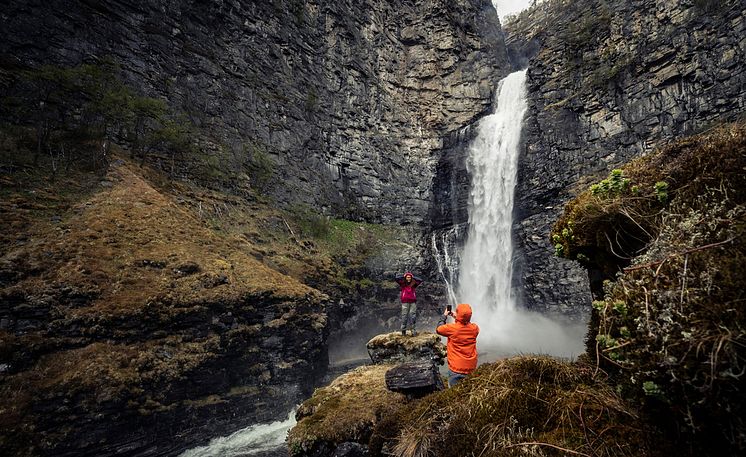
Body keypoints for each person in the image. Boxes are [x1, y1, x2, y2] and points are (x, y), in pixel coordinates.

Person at [436, 303, 479, 387]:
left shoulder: (452, 329)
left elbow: (439, 329)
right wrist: (459, 318)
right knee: (467, 392)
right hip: (471, 368)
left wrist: (444, 315)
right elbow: (467, 323)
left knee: (454, 393)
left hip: (456, 368)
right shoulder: (475, 329)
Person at [395, 272, 422, 336]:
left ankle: (413, 331)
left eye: (409, 277)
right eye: (407, 277)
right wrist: (404, 275)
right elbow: (396, 278)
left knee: (413, 316)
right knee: (404, 316)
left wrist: (412, 276)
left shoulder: (414, 284)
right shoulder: (403, 284)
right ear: (405, 278)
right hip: (405, 302)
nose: (408, 278)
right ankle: (403, 331)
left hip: (413, 302)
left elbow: (420, 280)